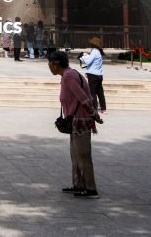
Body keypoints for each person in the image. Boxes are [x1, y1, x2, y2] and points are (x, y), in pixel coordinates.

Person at [48, 50, 102, 198]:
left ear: (55, 64)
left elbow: (84, 98)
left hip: (81, 121)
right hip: (75, 121)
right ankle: (79, 184)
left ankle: (90, 188)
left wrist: (94, 114)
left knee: (83, 155)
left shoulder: (69, 76)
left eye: (50, 64)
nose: (49, 67)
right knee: (76, 155)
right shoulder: (67, 75)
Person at [80, 37, 107, 114]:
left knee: (92, 93)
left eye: (91, 43)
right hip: (99, 75)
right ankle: (103, 109)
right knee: (100, 92)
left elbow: (88, 62)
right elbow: (93, 62)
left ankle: (94, 109)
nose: (90, 44)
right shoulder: (98, 52)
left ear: (93, 44)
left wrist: (82, 57)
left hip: (93, 76)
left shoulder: (94, 51)